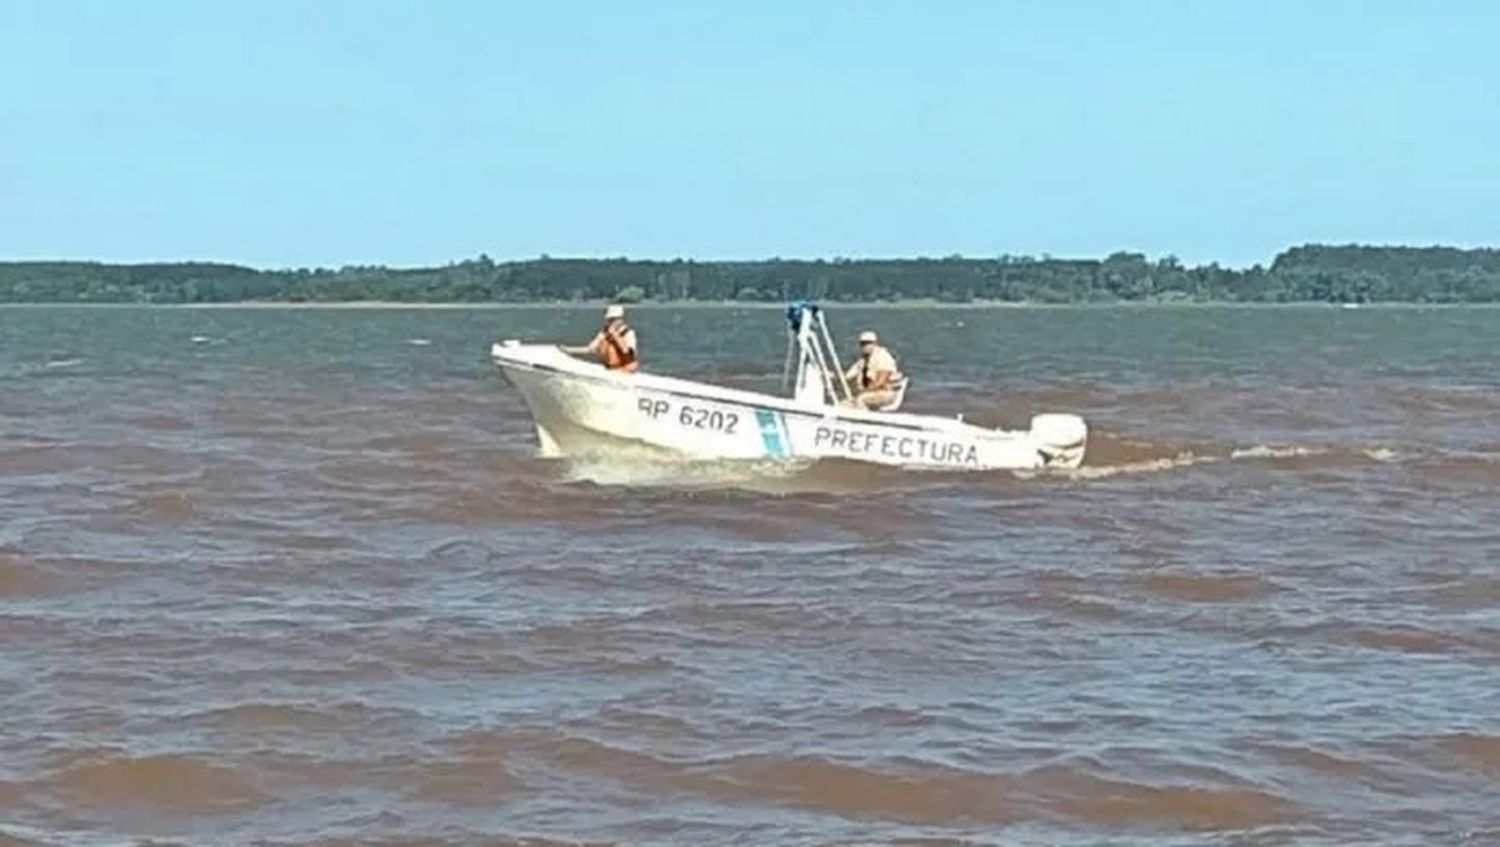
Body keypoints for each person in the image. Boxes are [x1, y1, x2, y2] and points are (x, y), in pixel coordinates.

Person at [564, 304, 639, 372]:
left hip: (625, 370)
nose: (610, 322)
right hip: (610, 369)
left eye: (613, 320)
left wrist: (615, 335)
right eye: (609, 320)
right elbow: (590, 349)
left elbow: (629, 353)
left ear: (621, 320)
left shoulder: (629, 333)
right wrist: (568, 350)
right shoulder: (604, 333)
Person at [844, 330, 902, 409]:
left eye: (869, 343)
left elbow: (881, 381)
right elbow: (847, 376)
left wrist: (865, 391)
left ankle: (863, 418)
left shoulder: (882, 356)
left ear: (875, 343)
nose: (866, 346)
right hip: (870, 392)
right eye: (863, 343)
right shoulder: (863, 360)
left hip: (885, 393)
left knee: (861, 399)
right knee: (845, 403)